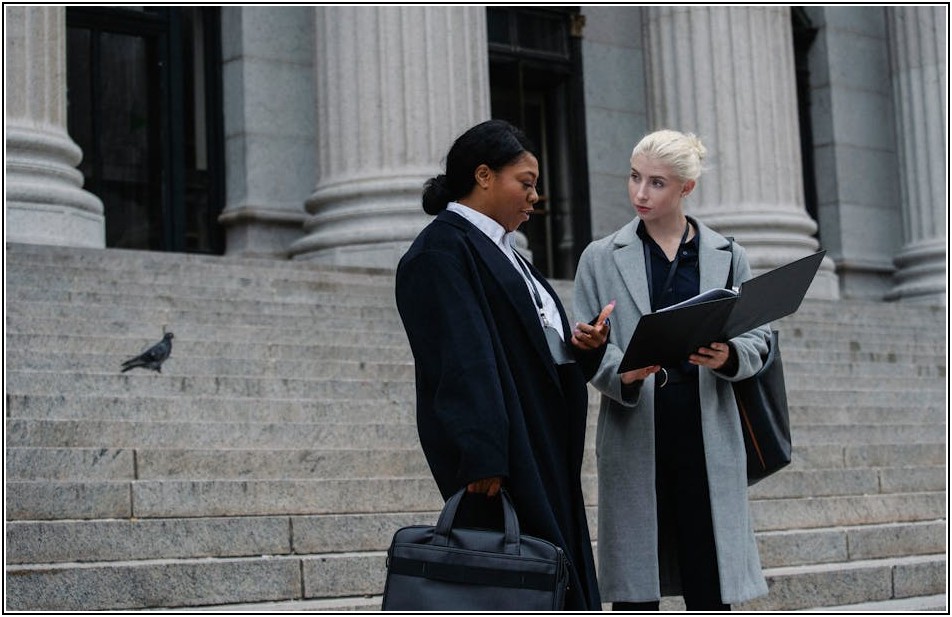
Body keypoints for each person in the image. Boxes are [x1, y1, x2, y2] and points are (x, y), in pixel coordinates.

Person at [395, 119, 612, 611]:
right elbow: (459, 358)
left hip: (541, 439)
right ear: (485, 176)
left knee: (548, 573)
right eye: (526, 183)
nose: (535, 197)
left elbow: (534, 345)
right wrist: (482, 452)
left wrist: (584, 346)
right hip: (503, 450)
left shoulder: (503, 249)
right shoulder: (441, 250)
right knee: (520, 581)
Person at [573, 129, 770, 611]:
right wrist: (616, 365)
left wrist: (730, 356)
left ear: (686, 188)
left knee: (710, 571)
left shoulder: (728, 255)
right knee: (635, 584)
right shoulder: (600, 257)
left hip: (707, 423)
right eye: (635, 177)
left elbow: (760, 336)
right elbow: (584, 343)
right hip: (636, 423)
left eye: (657, 183)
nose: (641, 193)